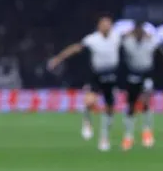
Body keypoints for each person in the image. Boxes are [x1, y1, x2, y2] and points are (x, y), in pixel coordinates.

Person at [48, 15, 123, 151]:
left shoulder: (117, 37)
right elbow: (76, 48)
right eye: (104, 24)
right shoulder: (92, 39)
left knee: (110, 108)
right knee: (89, 101)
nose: (106, 26)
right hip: (97, 74)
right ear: (99, 26)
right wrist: (58, 59)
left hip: (112, 75)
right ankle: (87, 122)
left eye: (108, 24)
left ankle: (104, 138)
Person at [120, 22, 163, 150]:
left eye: (141, 30)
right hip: (132, 74)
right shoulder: (128, 41)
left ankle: (147, 132)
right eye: (136, 30)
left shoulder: (151, 41)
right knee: (131, 105)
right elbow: (116, 42)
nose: (139, 33)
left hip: (146, 74)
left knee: (146, 102)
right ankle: (128, 136)